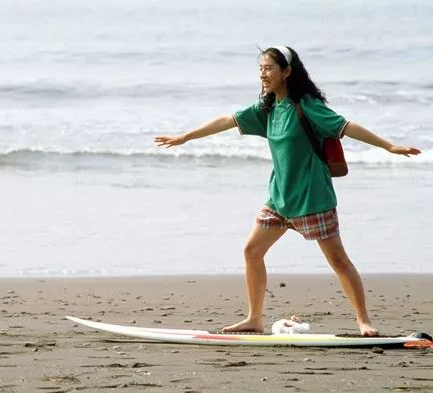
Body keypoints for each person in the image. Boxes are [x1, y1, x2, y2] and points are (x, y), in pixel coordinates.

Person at [154, 46, 421, 336]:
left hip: (312, 197)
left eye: (269, 68)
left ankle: (363, 321)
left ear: (287, 71)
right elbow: (227, 120)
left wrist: (389, 146)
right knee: (252, 250)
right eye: (261, 68)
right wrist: (185, 137)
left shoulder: (306, 106)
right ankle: (254, 318)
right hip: (279, 198)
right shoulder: (267, 108)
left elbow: (347, 127)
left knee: (339, 260)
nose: (263, 74)